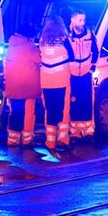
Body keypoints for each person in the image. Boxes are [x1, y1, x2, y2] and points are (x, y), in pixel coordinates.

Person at [38, 16, 74, 152]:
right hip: (62, 79)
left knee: (49, 110)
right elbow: (72, 56)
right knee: (63, 110)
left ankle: (50, 142)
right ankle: (63, 140)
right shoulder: (65, 39)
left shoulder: (42, 40)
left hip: (46, 80)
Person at [4, 24, 41, 147]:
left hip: (13, 88)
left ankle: (12, 139)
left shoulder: (10, 47)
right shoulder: (30, 47)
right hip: (27, 88)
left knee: (15, 113)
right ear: (29, 36)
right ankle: (27, 140)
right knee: (28, 114)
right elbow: (41, 60)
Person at [67, 9, 99, 142]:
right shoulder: (67, 35)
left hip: (86, 73)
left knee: (87, 101)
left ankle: (88, 132)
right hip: (72, 73)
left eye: (84, 20)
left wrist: (92, 67)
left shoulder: (90, 34)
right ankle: (74, 132)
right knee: (73, 102)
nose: (82, 23)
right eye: (80, 20)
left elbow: (95, 51)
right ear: (72, 20)